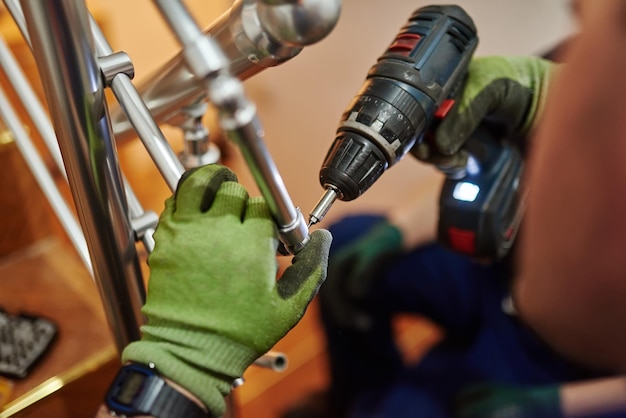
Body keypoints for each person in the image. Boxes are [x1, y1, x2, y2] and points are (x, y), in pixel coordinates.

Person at [94, 1, 626, 417]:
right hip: (498, 273)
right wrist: (394, 231)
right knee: (347, 251)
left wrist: (561, 407)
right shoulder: (580, 60)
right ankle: (350, 398)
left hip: (576, 374)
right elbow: (488, 171)